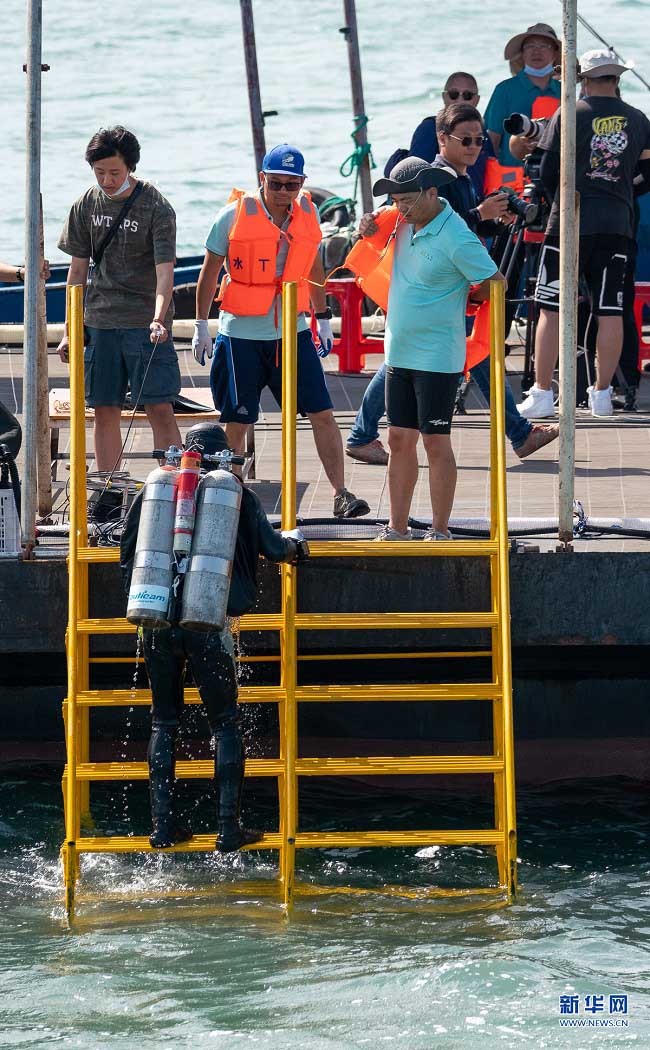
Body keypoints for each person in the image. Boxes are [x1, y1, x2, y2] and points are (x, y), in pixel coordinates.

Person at [120, 422, 309, 851]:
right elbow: (275, 548)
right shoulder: (235, 492)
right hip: (210, 621)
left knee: (163, 721)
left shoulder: (158, 489)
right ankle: (228, 828)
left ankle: (162, 827)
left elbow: (126, 548)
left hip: (156, 619)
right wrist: (298, 547)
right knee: (225, 724)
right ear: (226, 456)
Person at [192, 144, 369, 519]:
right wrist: (200, 325)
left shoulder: (307, 214)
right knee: (237, 420)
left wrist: (322, 315)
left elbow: (314, 266)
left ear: (302, 184)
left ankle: (341, 494)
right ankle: (229, 499)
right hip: (241, 334)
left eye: (292, 185)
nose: (283, 192)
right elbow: (208, 273)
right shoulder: (232, 216)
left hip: (292, 331)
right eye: (276, 184)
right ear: (262, 179)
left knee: (322, 412)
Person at [356, 158, 504, 541]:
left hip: (439, 356)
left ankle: (440, 530)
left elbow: (495, 281)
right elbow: (371, 229)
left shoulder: (457, 235)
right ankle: (397, 527)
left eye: (406, 200)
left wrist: (469, 300)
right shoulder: (401, 222)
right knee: (397, 439)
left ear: (432, 193)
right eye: (396, 200)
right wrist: (366, 224)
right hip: (399, 352)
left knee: (435, 441)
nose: (399, 208)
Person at [519, 49, 650, 418]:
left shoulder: (571, 112)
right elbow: (649, 173)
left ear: (584, 79)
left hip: (571, 220)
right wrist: (622, 189)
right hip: (617, 224)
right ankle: (602, 395)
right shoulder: (638, 119)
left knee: (550, 305)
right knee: (610, 309)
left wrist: (563, 196)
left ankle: (543, 392)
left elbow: (546, 172)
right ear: (617, 79)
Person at [57, 126, 182, 474]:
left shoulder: (156, 206)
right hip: (100, 321)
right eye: (100, 173)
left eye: (114, 172)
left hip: (144, 322)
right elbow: (77, 272)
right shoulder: (85, 203)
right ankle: (107, 487)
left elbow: (165, 272)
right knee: (104, 409)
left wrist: (158, 318)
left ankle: (171, 486)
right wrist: (71, 329)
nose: (107, 180)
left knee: (159, 406)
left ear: (130, 167)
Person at [384, 71, 496, 198]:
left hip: (474, 204)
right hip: (444, 206)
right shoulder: (430, 128)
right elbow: (416, 180)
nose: (459, 100)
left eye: (467, 95)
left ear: (477, 99)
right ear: (444, 97)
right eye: (453, 95)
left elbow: (491, 173)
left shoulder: (481, 132)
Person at [484, 24, 561, 169]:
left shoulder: (563, 91)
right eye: (530, 46)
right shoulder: (505, 89)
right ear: (522, 53)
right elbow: (492, 139)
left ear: (555, 54)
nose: (536, 51)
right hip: (513, 178)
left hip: (554, 174)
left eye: (544, 46)